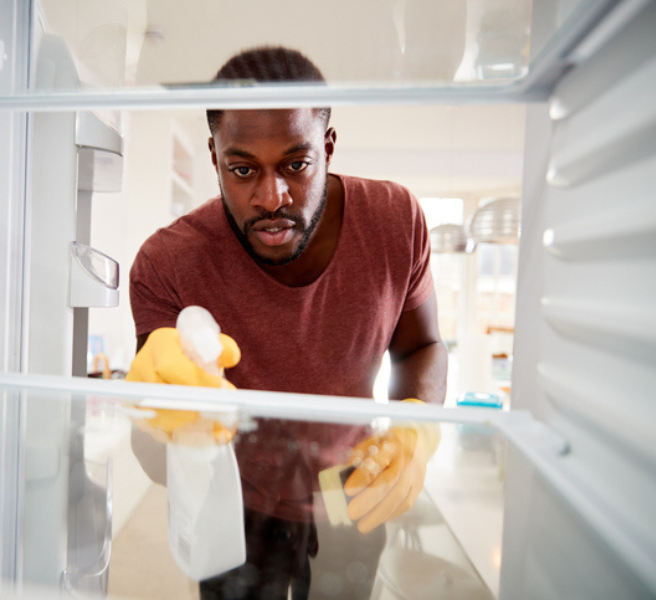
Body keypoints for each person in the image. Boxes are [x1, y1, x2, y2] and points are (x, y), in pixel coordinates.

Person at [126, 46, 447, 599]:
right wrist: (161, 421)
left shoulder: (397, 221)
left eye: (296, 165)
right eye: (243, 169)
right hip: (238, 502)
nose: (271, 197)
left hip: (352, 488)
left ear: (327, 147)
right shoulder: (166, 262)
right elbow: (158, 440)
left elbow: (423, 346)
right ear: (213, 157)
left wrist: (417, 425)